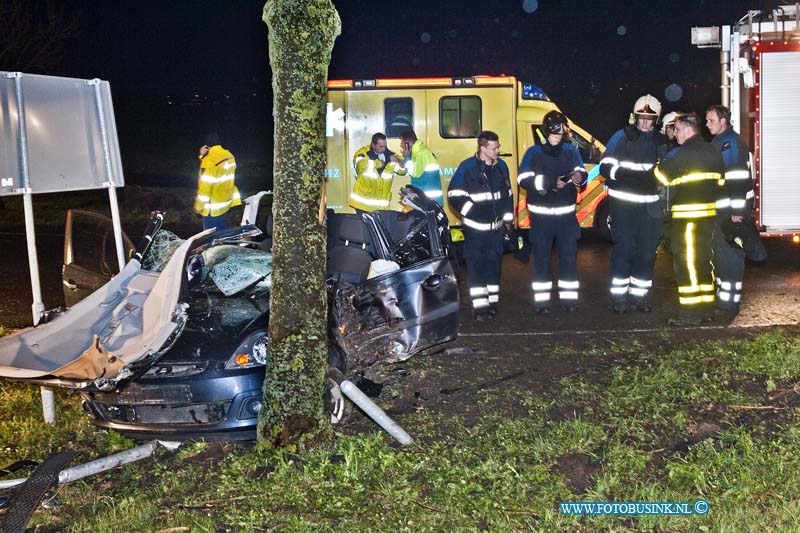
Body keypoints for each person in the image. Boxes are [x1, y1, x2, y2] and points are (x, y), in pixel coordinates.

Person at [654, 113, 725, 326]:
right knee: (703, 260)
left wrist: (660, 164)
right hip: (707, 217)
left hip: (686, 217)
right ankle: (706, 308)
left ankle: (689, 312)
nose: (674, 134)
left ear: (687, 129)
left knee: (686, 263)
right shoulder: (713, 151)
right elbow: (721, 182)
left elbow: (662, 175)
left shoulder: (684, 153)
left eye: (676, 129)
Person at [600, 95, 669, 313]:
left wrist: (658, 180)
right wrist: (627, 175)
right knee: (625, 250)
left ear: (656, 119)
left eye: (650, 118)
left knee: (647, 253)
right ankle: (619, 298)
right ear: (635, 116)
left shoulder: (661, 142)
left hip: (650, 208)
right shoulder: (621, 137)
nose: (645, 122)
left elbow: (668, 173)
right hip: (624, 206)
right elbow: (605, 166)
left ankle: (640, 296)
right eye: (642, 117)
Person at [518, 111, 587, 313]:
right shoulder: (534, 152)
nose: (559, 134)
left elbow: (582, 173)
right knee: (542, 260)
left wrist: (579, 178)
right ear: (547, 130)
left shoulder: (571, 151)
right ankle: (542, 303)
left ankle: (569, 301)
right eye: (556, 130)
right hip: (542, 217)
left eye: (562, 130)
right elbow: (522, 179)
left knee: (568, 259)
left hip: (566, 217)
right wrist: (549, 182)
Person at [447, 131, 514, 321]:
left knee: (494, 267)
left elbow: (507, 195)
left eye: (498, 147)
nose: (498, 151)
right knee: (476, 269)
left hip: (496, 230)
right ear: (482, 148)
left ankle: (492, 303)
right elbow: (454, 195)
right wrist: (474, 212)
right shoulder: (467, 168)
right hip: (475, 230)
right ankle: (480, 309)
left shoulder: (501, 167)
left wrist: (508, 220)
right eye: (494, 148)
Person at [706, 105, 755, 318]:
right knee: (722, 256)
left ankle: (730, 303)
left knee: (731, 256)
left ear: (723, 121)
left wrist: (737, 211)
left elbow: (736, 178)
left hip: (730, 211)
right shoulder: (721, 142)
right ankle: (723, 299)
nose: (707, 124)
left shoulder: (729, 143)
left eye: (711, 120)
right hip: (722, 210)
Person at [349, 133, 407, 213]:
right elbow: (361, 166)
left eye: (385, 146)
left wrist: (398, 161)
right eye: (381, 147)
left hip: (381, 205)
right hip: (363, 204)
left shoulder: (389, 154)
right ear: (373, 145)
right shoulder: (363, 153)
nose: (384, 149)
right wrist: (379, 163)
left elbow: (403, 170)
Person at [194, 133, 241, 231]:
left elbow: (205, 188)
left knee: (210, 238)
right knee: (225, 234)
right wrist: (203, 157)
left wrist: (199, 207)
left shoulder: (209, 161)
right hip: (227, 204)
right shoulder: (229, 155)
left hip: (213, 209)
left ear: (207, 146)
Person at [399, 130, 443, 205]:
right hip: (426, 200)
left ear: (407, 143)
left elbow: (414, 173)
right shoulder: (418, 153)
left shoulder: (422, 153)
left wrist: (406, 157)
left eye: (402, 142)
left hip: (429, 200)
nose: (401, 145)